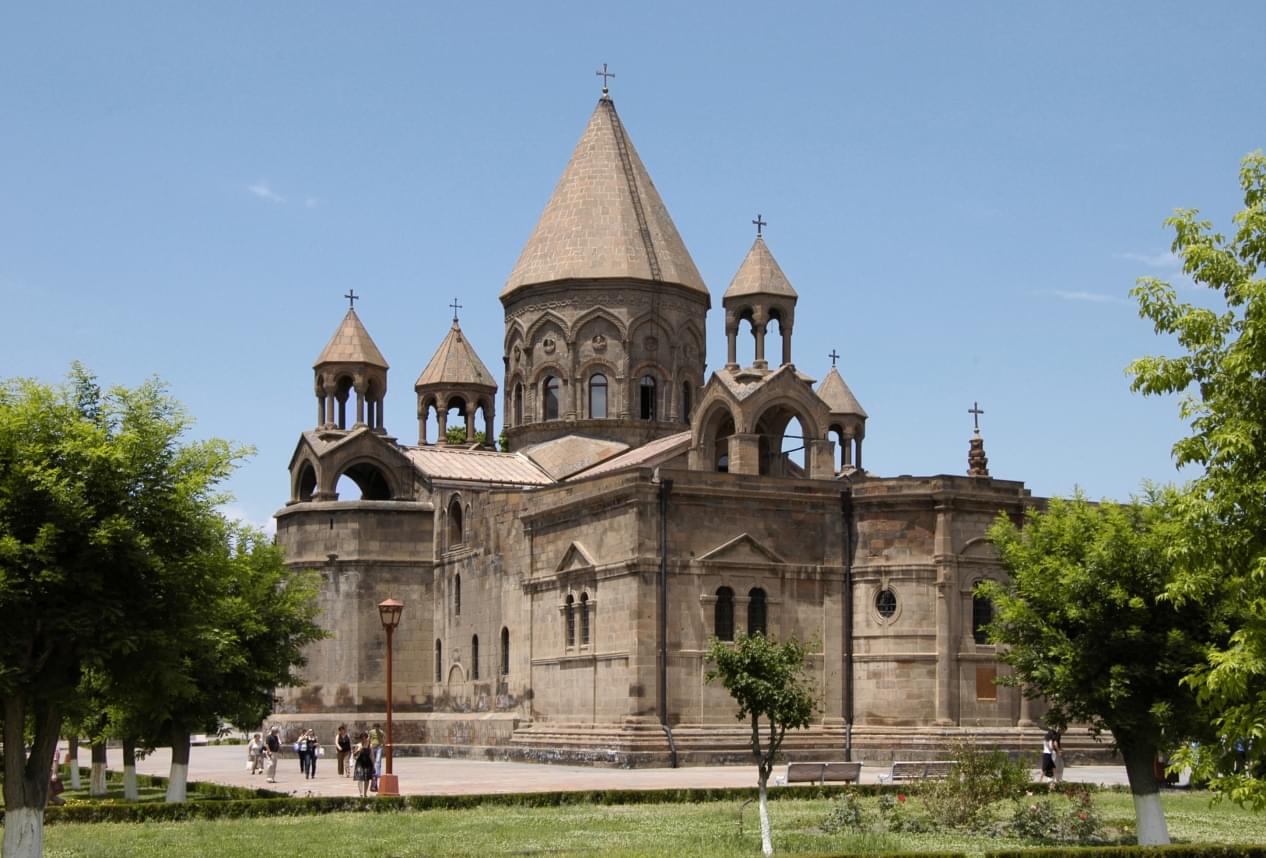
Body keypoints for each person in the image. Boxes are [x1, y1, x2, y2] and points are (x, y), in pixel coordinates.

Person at [353, 732, 374, 798]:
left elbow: (372, 756)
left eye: (365, 738)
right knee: (360, 778)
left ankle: (365, 793)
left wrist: (373, 765)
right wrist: (359, 750)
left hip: (367, 763)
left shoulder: (370, 746)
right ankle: (361, 793)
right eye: (362, 738)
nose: (364, 740)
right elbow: (354, 755)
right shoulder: (358, 745)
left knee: (367, 779)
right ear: (361, 739)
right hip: (360, 763)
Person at [369, 723, 385, 792]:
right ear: (374, 727)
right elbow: (369, 738)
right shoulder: (371, 732)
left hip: (379, 747)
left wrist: (382, 745)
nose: (377, 728)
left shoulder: (381, 732)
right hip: (373, 747)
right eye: (375, 727)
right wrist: (369, 745)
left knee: (378, 760)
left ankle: (377, 774)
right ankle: (374, 771)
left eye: (378, 727)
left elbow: (383, 738)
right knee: (373, 760)